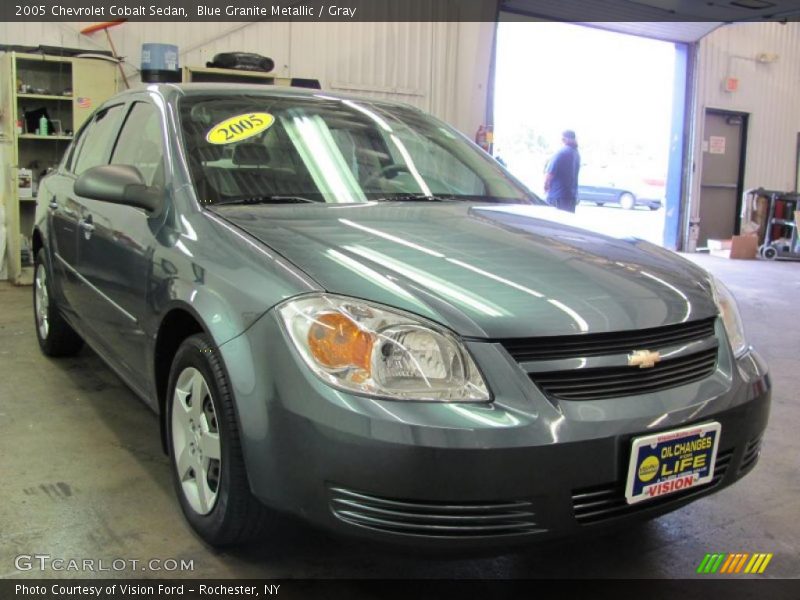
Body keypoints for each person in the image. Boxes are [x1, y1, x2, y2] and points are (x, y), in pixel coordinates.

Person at [544, 130, 581, 213]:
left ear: (564, 139)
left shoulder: (561, 153)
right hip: (570, 198)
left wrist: (546, 186)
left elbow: (550, 174)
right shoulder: (576, 153)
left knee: (553, 223)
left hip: (558, 197)